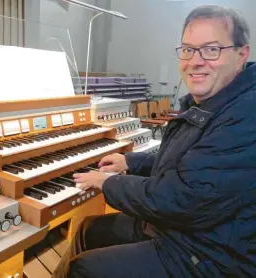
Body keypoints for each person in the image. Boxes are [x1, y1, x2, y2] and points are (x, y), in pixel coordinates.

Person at [52, 4, 256, 278]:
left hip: (213, 255)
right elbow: (187, 160)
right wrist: (131, 161)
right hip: (193, 229)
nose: (195, 61)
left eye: (211, 49)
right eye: (188, 49)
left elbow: (184, 199)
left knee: (85, 269)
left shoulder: (245, 114)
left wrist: (109, 183)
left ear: (242, 54)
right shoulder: (215, 101)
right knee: (89, 228)